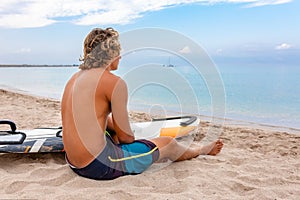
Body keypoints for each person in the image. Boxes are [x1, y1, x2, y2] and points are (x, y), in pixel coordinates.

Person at [61, 27, 223, 180]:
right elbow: (127, 138)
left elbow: (89, 119)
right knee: (168, 143)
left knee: (113, 129)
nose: (121, 56)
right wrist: (129, 135)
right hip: (98, 166)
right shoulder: (113, 83)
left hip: (73, 162)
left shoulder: (73, 79)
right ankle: (199, 151)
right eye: (118, 51)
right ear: (110, 54)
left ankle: (135, 153)